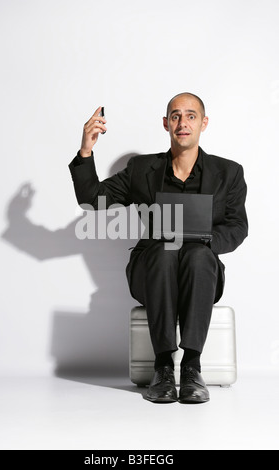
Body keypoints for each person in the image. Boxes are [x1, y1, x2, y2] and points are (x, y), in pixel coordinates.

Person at [69, 93, 248, 404]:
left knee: (195, 254)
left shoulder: (228, 172)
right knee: (166, 251)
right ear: (166, 124)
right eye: (176, 116)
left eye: (191, 116)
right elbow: (91, 199)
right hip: (152, 271)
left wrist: (205, 241)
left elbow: (237, 228)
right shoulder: (142, 169)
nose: (183, 123)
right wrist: (87, 150)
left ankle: (192, 368)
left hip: (201, 272)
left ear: (203, 123)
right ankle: (163, 367)